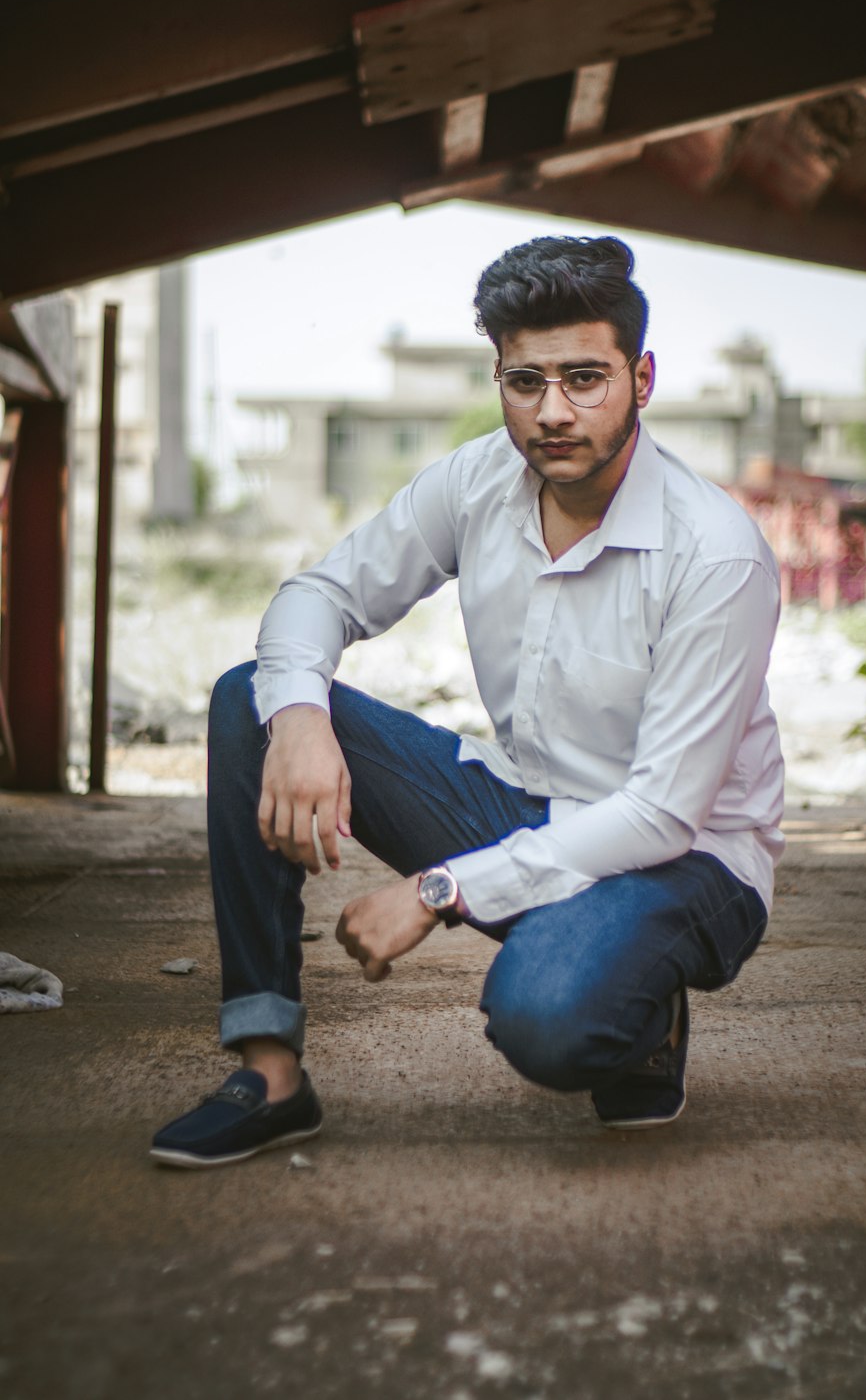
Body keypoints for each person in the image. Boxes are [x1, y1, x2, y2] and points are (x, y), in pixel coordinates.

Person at [151, 235, 784, 1168]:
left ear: (641, 378)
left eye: (584, 378)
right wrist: (300, 720)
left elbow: (658, 813)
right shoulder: (479, 479)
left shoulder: (716, 554)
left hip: (687, 860)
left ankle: (639, 1004)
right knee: (254, 697)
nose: (553, 412)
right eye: (525, 382)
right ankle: (272, 1070)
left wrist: (439, 889)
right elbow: (318, 596)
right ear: (499, 377)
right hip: (528, 805)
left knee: (544, 1020)